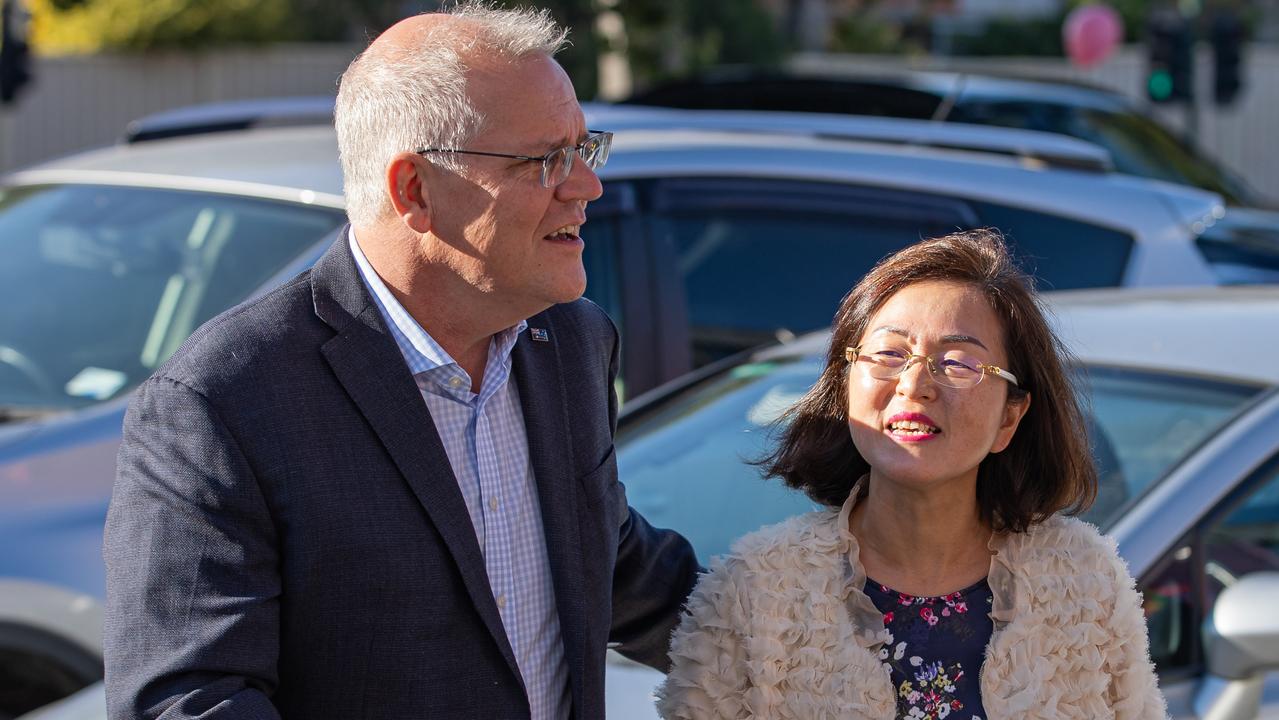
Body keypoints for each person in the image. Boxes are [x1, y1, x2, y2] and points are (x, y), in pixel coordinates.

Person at [103, 4, 700, 719]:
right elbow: (186, 700)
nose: (584, 187)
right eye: (544, 160)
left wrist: (838, 614)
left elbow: (612, 564)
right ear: (414, 189)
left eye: (584, 149)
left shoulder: (570, 342)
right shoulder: (225, 398)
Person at [656, 230, 1166, 719]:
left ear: (1009, 417)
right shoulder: (753, 591)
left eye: (959, 363)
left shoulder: (1085, 582)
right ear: (844, 384)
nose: (914, 384)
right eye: (889, 354)